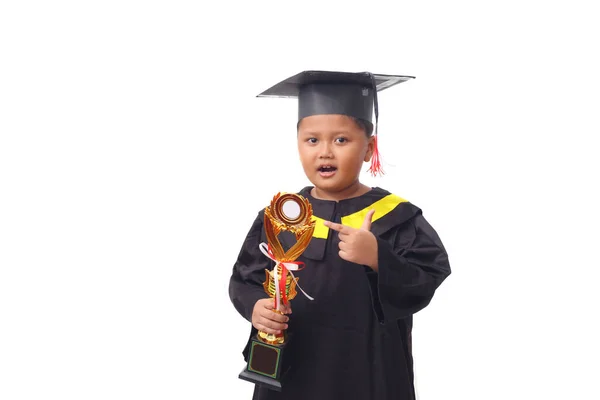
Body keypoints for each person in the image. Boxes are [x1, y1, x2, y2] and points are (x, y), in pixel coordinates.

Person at [228, 70, 451, 400]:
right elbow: (244, 279)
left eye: (341, 140)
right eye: (312, 140)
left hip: (366, 368)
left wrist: (378, 257)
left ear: (368, 148)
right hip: (292, 370)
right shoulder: (281, 215)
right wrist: (256, 306)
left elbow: (427, 276)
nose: (325, 152)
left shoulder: (395, 216)